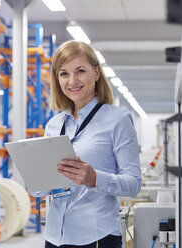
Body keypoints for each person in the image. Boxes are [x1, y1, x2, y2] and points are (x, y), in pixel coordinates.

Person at [35, 40, 142, 248]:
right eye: (63, 73)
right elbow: (41, 188)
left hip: (96, 237)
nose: (72, 80)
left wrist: (95, 179)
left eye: (80, 71)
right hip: (55, 237)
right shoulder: (54, 125)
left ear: (96, 73)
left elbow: (133, 184)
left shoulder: (118, 120)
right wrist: (36, 181)